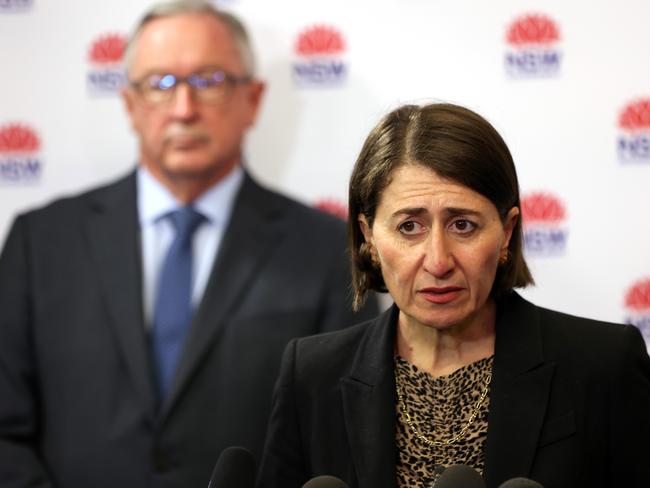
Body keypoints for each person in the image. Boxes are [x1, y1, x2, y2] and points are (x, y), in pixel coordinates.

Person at [0, 2, 377, 487]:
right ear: (130, 104)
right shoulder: (42, 242)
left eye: (209, 81)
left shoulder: (326, 249)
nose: (183, 108)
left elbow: (340, 439)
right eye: (159, 84)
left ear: (253, 99)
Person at [257, 103, 650, 488]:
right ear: (369, 237)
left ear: (506, 232)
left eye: (463, 225)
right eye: (409, 226)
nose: (438, 261)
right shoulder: (312, 374)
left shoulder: (602, 365)